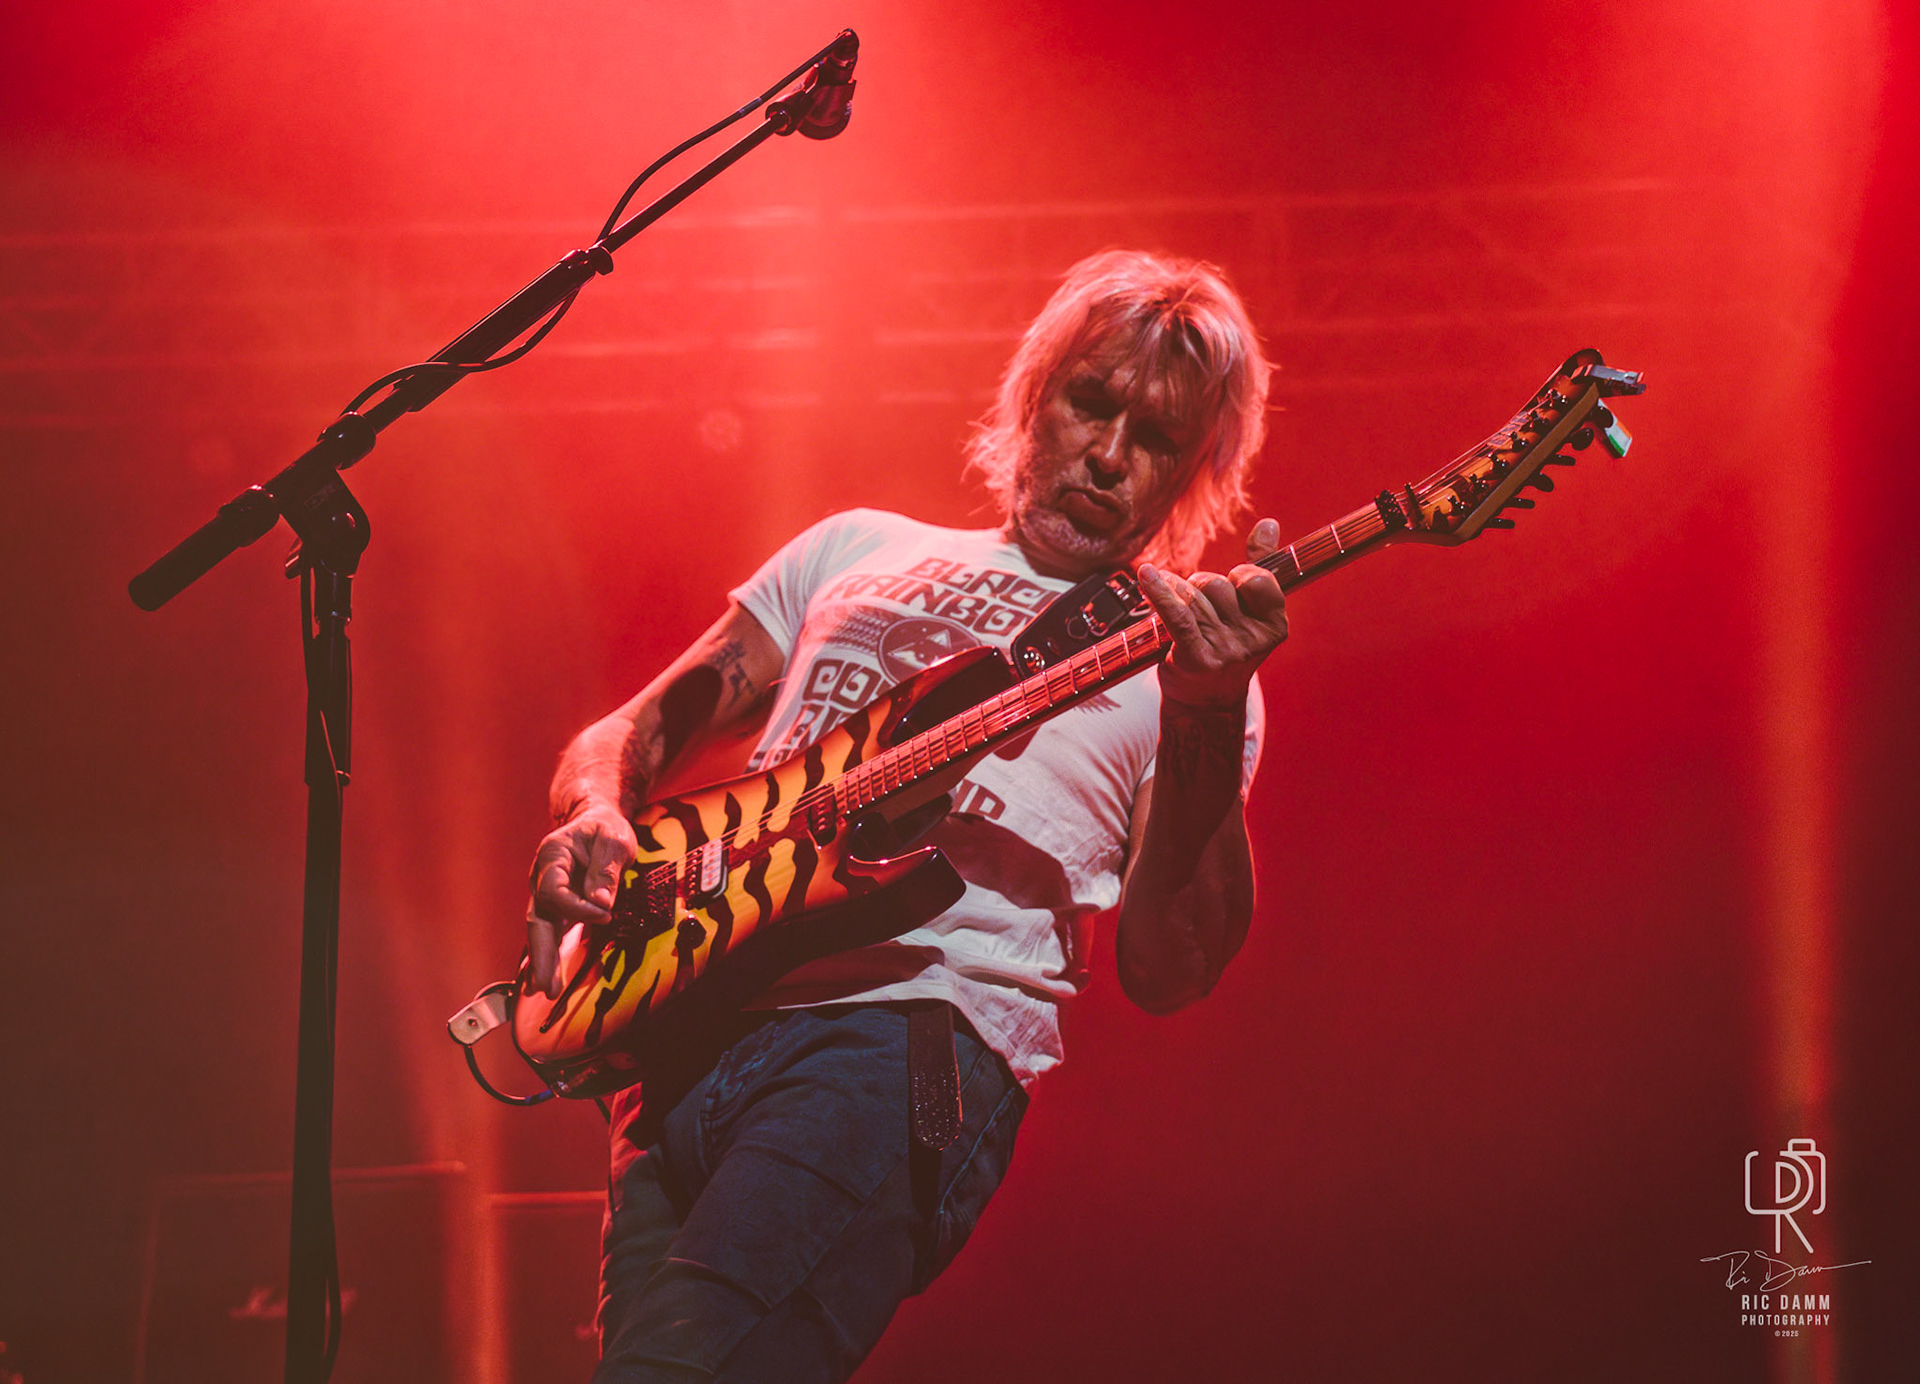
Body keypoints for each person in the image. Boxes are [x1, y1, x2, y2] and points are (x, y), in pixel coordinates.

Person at [526, 248, 1288, 1383]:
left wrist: (1210, 708)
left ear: (1194, 473)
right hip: (681, 1037)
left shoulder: (1179, 668)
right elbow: (641, 724)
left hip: (896, 1042)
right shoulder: (858, 545)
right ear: (1035, 394)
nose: (1109, 454)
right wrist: (595, 808)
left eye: (1158, 437)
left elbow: (1175, 966)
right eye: (1091, 402)